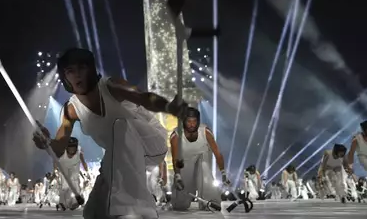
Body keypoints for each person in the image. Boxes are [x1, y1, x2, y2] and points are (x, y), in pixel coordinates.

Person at [33, 48, 186, 219]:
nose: (76, 75)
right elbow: (59, 147)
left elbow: (143, 97)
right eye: (70, 71)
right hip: (118, 153)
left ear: (91, 69)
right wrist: (46, 143)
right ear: (65, 76)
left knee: (119, 126)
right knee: (94, 212)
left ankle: (136, 210)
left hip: (150, 142)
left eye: (81, 68)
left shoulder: (111, 86)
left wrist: (168, 107)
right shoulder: (71, 110)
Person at [169, 107, 226, 211]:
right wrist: (177, 176)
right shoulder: (176, 136)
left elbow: (218, 154)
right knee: (180, 205)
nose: (192, 124)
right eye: (189, 121)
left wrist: (223, 173)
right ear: (184, 121)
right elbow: (175, 158)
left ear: (198, 121)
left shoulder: (205, 132)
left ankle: (209, 200)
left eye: (194, 121)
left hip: (202, 157)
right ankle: (179, 200)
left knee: (204, 169)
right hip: (184, 162)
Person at [55, 136, 88, 210]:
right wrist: (55, 170)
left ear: (76, 147)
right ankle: (62, 203)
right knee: (64, 187)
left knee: (75, 185)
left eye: (73, 147)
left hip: (74, 169)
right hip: (64, 169)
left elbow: (83, 163)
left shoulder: (79, 153)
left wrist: (87, 172)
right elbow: (55, 160)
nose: (72, 149)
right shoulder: (62, 153)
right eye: (70, 147)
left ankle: (75, 202)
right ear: (67, 147)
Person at [347, 120, 367, 204]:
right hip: (364, 158)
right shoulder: (357, 139)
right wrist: (350, 166)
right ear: (365, 130)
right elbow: (351, 153)